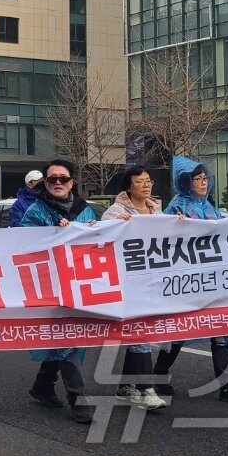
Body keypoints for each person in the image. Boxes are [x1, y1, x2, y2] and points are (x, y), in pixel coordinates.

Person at [157, 155, 228, 404]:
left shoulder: (211, 208)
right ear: (185, 182)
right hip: (187, 282)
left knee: (221, 329)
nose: (202, 182)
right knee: (180, 330)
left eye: (204, 178)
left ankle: (227, 384)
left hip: (213, 280)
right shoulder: (176, 207)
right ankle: (157, 375)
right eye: (196, 179)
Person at [19, 159, 96, 423]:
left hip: (78, 284)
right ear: (45, 183)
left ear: (72, 182)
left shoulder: (85, 211)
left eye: (63, 179)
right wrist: (54, 235)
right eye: (52, 179)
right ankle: (78, 398)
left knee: (65, 337)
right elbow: (23, 245)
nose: (58, 183)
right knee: (67, 338)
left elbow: (97, 243)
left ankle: (42, 385)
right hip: (48, 286)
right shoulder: (35, 212)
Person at [101, 165, 167, 410]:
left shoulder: (156, 209)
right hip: (128, 281)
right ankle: (146, 388)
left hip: (152, 280)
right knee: (140, 333)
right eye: (140, 181)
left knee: (142, 334)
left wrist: (179, 224)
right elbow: (101, 235)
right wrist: (114, 224)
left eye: (148, 180)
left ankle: (126, 386)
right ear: (128, 186)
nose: (146, 185)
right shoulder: (116, 210)